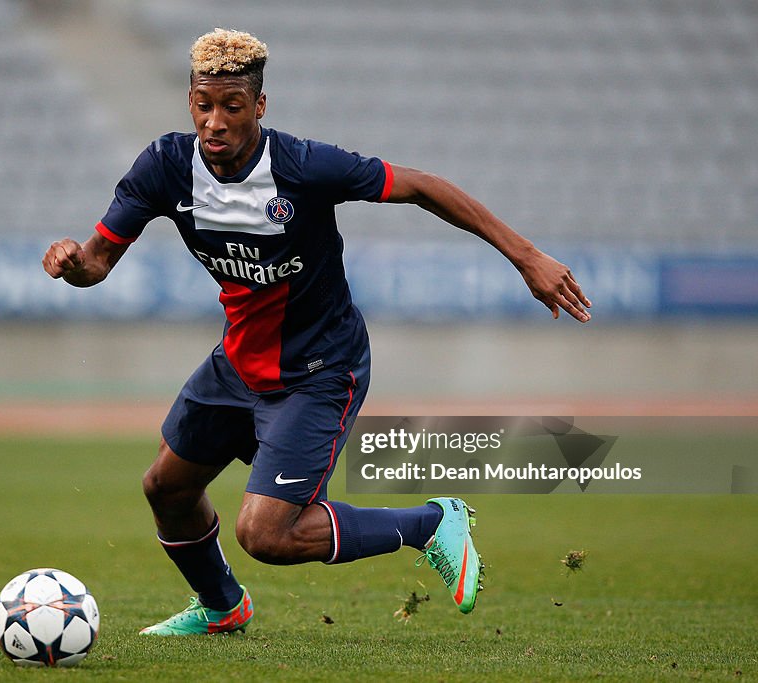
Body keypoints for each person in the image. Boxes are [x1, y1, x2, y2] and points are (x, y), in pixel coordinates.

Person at [43, 29, 591, 635]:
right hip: (238, 364)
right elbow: (97, 262)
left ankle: (433, 524)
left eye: (231, 106)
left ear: (259, 106)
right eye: (203, 104)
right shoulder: (166, 168)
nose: (214, 122)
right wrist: (73, 265)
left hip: (319, 371)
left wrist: (527, 257)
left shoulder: (303, 167)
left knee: (265, 534)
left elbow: (422, 187)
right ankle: (223, 609)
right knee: (166, 488)